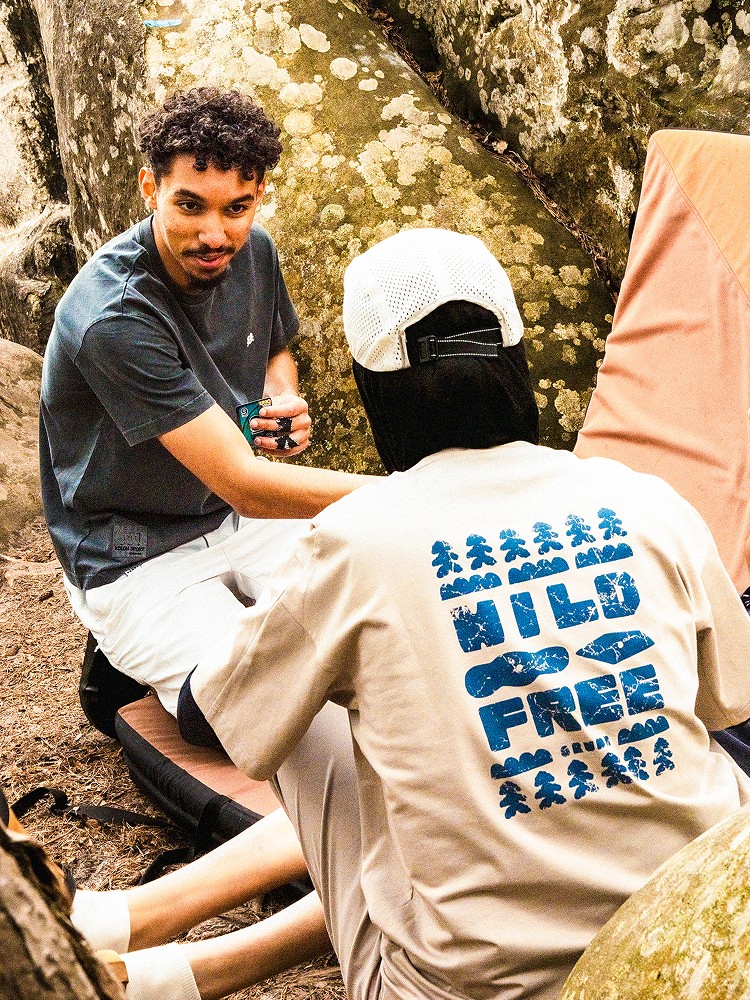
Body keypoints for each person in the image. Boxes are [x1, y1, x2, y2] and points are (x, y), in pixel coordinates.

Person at [71, 227, 750, 999]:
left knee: (291, 706)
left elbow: (211, 708)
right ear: (515, 361)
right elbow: (728, 702)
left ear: (375, 391)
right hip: (698, 947)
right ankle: (168, 966)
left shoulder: (357, 542)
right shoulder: (646, 501)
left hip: (466, 989)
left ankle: (157, 954)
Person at [39, 87, 371, 717]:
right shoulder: (113, 315)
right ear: (150, 187)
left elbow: (274, 348)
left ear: (259, 195)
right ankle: (138, 684)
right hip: (131, 551)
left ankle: (180, 661)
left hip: (234, 518)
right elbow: (247, 484)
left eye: (237, 208)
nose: (214, 234)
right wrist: (414, 494)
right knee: (268, 712)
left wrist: (281, 397)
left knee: (376, 635)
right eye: (189, 205)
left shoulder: (255, 252)